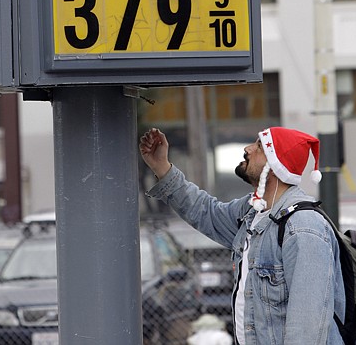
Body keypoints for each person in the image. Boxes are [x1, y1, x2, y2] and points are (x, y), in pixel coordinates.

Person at [139, 126, 345, 345]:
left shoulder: (304, 227)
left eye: (259, 146)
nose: (247, 149)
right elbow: (205, 212)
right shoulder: (251, 213)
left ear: (274, 166)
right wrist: (161, 166)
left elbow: (308, 328)